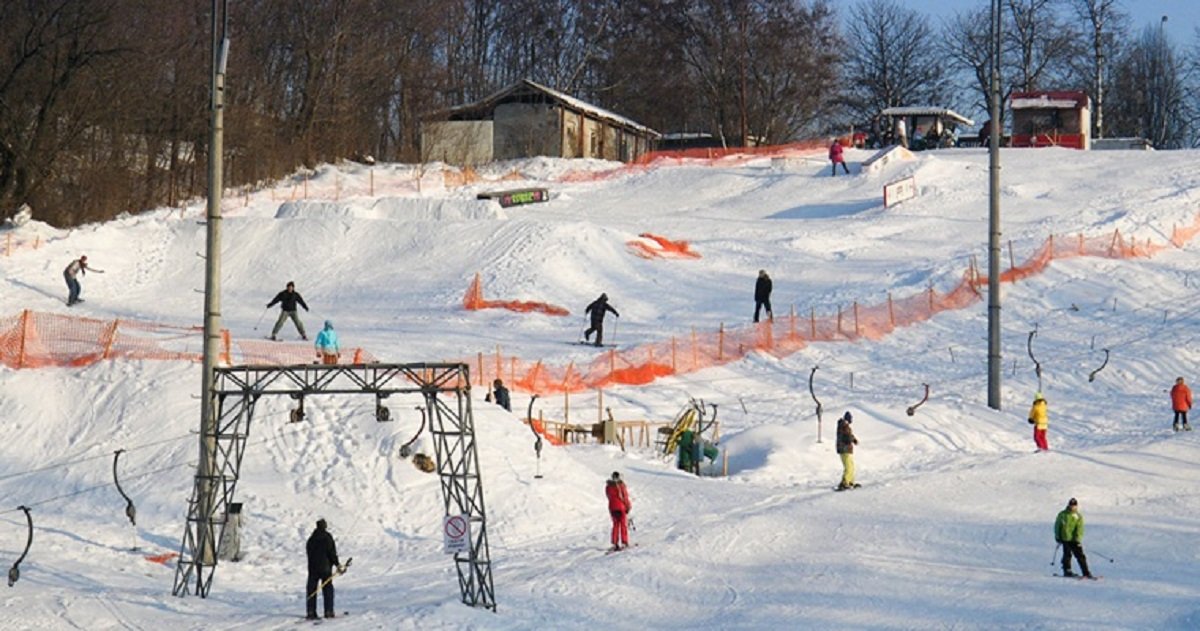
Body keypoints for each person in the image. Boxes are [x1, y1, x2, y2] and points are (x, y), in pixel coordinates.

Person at [305, 518, 343, 619]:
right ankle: (328, 611)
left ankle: (311, 612)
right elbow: (332, 553)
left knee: (311, 589)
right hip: (325, 569)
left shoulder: (311, 539)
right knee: (327, 588)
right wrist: (337, 564)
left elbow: (309, 553)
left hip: (313, 568)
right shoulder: (327, 537)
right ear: (325, 526)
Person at [1054, 498, 1094, 579]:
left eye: (1074, 506)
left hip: (1074, 540)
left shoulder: (1078, 516)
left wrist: (1078, 538)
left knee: (1080, 556)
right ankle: (1067, 570)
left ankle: (1086, 572)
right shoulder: (1062, 514)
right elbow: (1057, 526)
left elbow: (1080, 528)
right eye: (1071, 505)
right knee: (1067, 555)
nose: (1073, 507)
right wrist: (1058, 537)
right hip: (1065, 538)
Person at [605, 471, 632, 551]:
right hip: (621, 507)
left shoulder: (608, 486)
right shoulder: (621, 486)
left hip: (612, 508)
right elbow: (625, 497)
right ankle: (624, 542)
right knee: (623, 525)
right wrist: (628, 506)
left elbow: (608, 496)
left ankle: (615, 543)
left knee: (615, 525)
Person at [835, 411, 859, 490]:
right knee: (848, 467)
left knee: (851, 466)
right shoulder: (843, 426)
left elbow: (849, 435)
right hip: (844, 449)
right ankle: (844, 482)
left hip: (847, 449)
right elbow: (847, 437)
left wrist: (854, 439)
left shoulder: (845, 426)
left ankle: (850, 481)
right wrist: (852, 439)